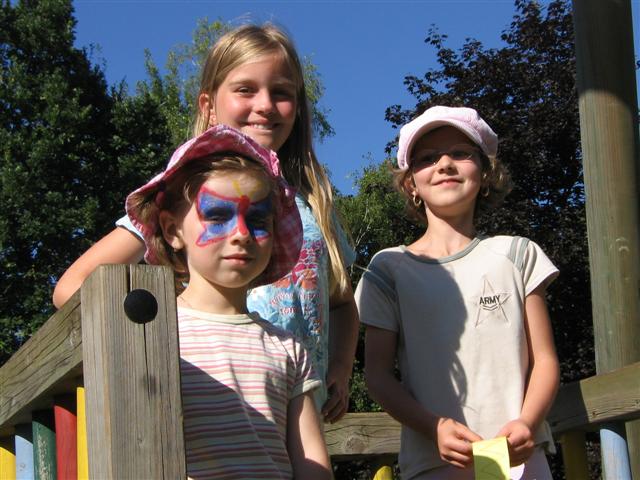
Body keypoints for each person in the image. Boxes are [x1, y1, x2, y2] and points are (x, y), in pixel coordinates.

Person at [52, 23, 358, 422]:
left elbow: (341, 302)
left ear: (298, 108)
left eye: (281, 93)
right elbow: (72, 288)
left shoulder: (313, 204)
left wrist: (340, 368)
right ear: (208, 105)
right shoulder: (183, 197)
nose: (265, 104)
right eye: (245, 89)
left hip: (300, 417)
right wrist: (148, 340)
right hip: (208, 411)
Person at [356, 106, 560, 479]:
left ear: (486, 174)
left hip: (520, 462)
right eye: (428, 158)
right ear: (411, 184)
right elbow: (378, 375)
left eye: (461, 153)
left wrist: (528, 422)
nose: (445, 164)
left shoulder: (518, 255)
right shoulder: (387, 270)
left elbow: (545, 360)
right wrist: (433, 427)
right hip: (433, 464)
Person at [126, 124, 331, 479]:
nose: (242, 234)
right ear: (173, 230)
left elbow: (312, 463)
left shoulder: (288, 348)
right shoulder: (153, 336)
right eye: (218, 216)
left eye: (258, 220)